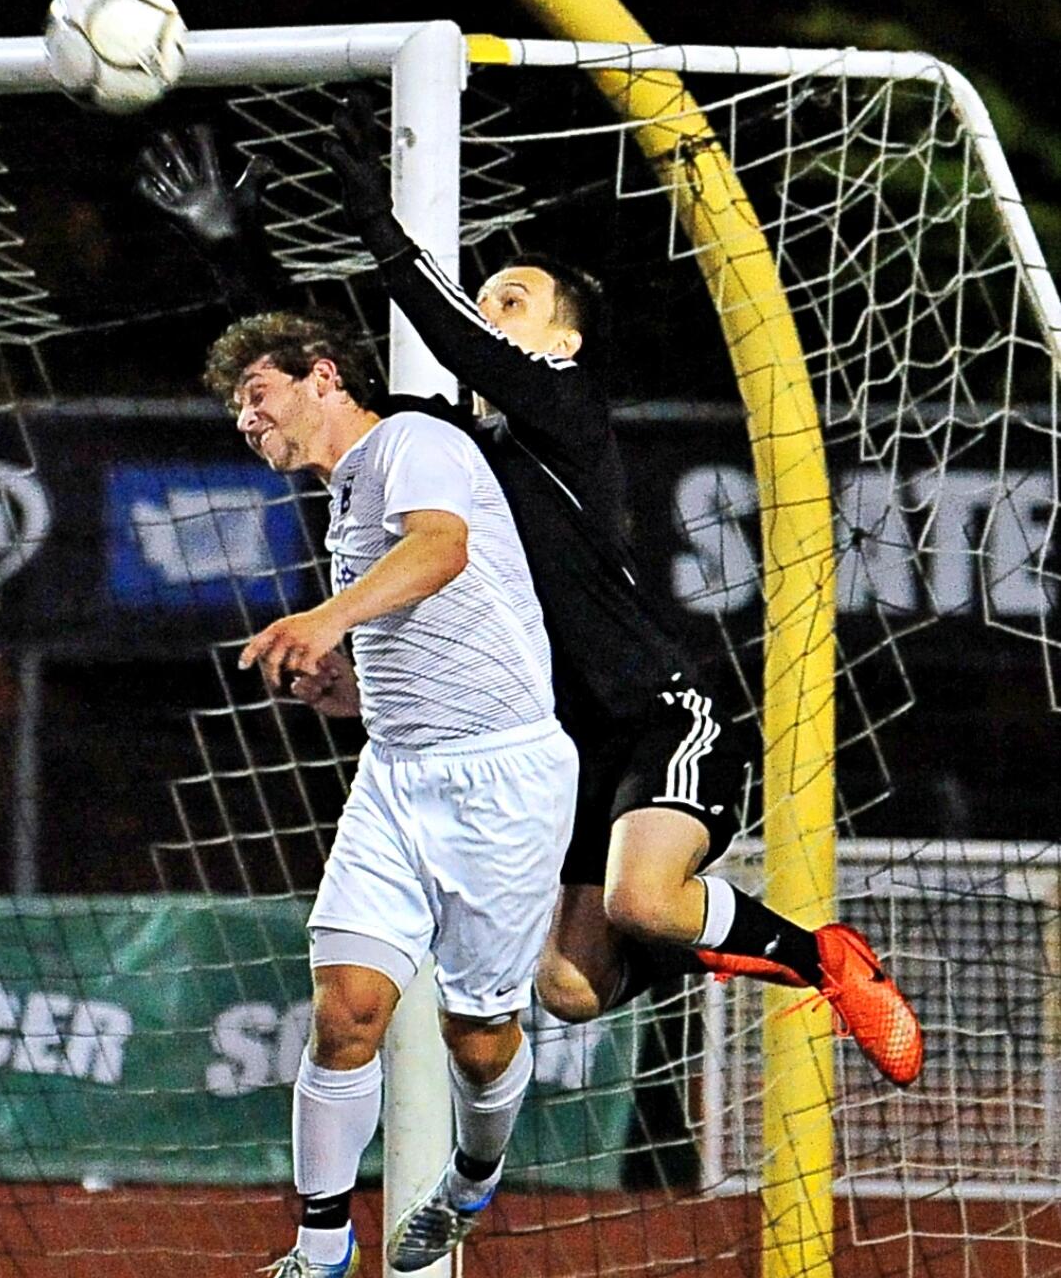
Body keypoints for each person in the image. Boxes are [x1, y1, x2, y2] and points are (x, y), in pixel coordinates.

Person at [140, 110, 922, 1093]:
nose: (488, 310)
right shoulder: (437, 449)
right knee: (565, 987)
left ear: (564, 334)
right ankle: (714, 940)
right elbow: (324, 393)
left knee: (641, 898)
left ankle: (825, 960)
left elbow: (468, 350)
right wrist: (236, 249)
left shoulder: (567, 406)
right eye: (483, 297)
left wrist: (380, 228)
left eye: (511, 299)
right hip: (552, 750)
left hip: (656, 715)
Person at [202, 310, 578, 1278]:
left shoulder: (412, 443)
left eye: (255, 394)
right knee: (344, 1011)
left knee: (475, 1034)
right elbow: (420, 655)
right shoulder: (341, 502)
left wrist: (324, 619)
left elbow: (442, 550)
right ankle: (321, 1242)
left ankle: (472, 1174)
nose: (246, 418)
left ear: (321, 376)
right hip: (397, 776)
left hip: (502, 780)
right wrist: (345, 691)